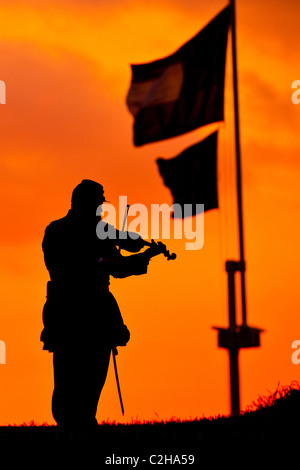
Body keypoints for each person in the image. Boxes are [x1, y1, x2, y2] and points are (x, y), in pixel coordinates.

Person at [41, 179, 157, 432]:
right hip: (84, 310)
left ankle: (75, 424)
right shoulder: (78, 232)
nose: (101, 210)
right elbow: (111, 266)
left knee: (75, 374)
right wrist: (141, 257)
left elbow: (111, 263)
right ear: (87, 204)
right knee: (82, 373)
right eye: (98, 204)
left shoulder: (56, 230)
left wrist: (133, 253)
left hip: (67, 309)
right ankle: (76, 424)